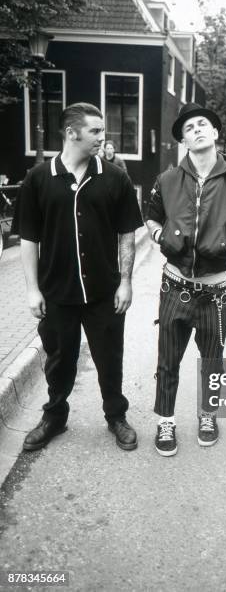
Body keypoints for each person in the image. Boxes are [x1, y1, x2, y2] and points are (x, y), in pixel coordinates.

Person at [15, 102, 143, 452]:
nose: (104, 137)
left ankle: (116, 415)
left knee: (109, 358)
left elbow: (127, 233)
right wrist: (32, 290)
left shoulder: (114, 176)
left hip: (104, 291)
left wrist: (126, 281)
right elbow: (29, 238)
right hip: (57, 292)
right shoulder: (39, 178)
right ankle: (54, 417)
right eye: (96, 131)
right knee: (59, 360)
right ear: (72, 133)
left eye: (102, 131)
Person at [147, 102, 226, 457]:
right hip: (174, 286)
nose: (196, 129)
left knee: (212, 361)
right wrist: (158, 237)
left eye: (203, 124)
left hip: (214, 292)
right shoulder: (166, 181)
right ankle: (165, 420)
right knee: (167, 360)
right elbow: (150, 218)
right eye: (189, 128)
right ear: (183, 140)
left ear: (214, 133)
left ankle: (208, 416)